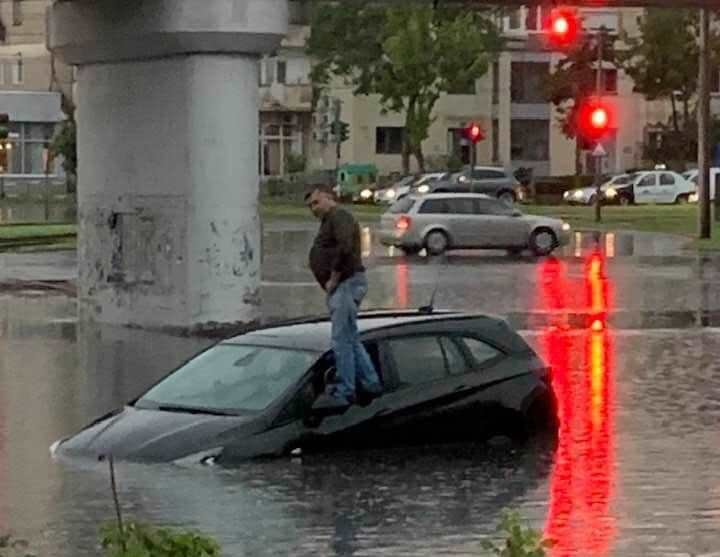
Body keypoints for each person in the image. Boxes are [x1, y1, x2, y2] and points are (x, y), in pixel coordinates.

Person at [305, 185, 383, 410]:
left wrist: (334, 278)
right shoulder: (330, 221)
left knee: (340, 340)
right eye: (310, 206)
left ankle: (345, 389)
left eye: (316, 202)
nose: (313, 209)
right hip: (343, 285)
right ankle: (370, 382)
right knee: (350, 337)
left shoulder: (340, 217)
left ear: (329, 197)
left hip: (346, 283)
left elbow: (345, 248)